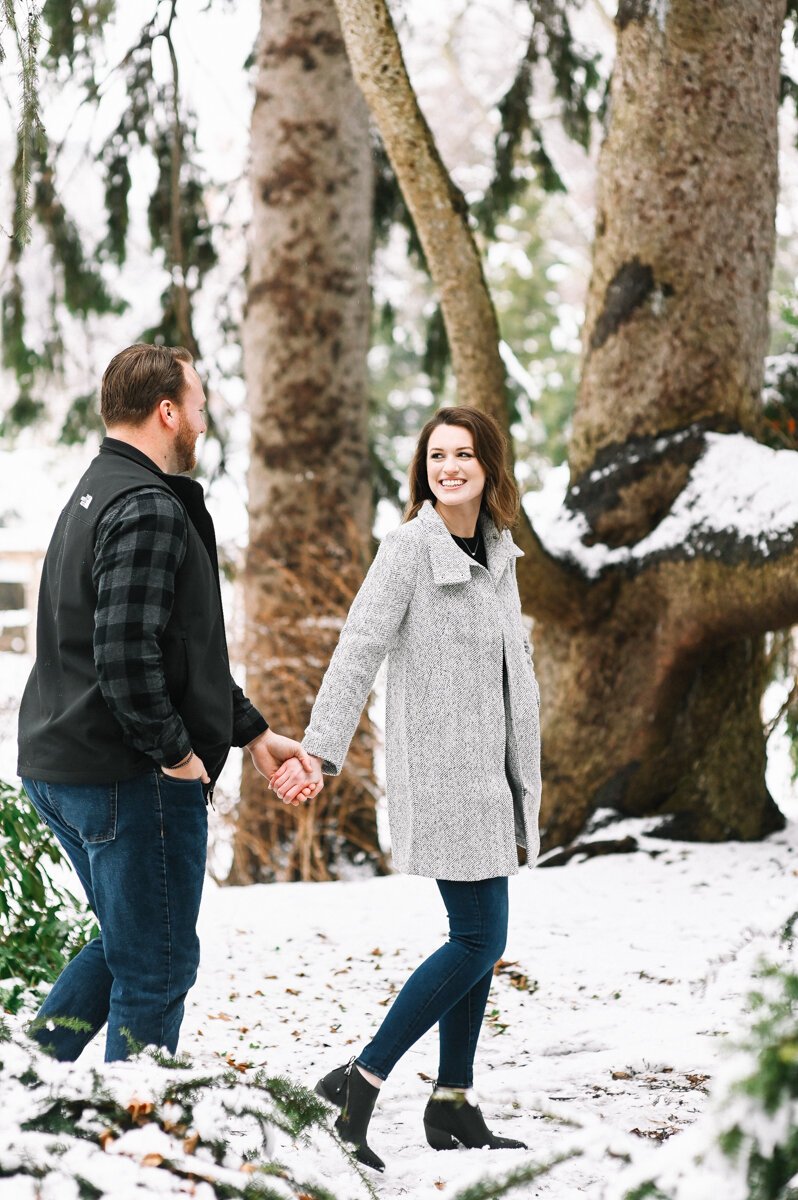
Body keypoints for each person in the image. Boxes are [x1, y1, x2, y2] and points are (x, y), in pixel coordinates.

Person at [17, 343, 317, 1063]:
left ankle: (22, 1097)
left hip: (62, 766)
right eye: (200, 408)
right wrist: (180, 760)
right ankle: (132, 1148)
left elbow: (173, 648)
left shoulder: (96, 488)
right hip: (127, 776)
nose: (203, 425)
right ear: (167, 411)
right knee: (157, 967)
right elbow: (127, 661)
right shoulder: (146, 507)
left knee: (131, 944)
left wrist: (252, 733)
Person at [271, 406, 541, 1171]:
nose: (448, 467)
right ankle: (357, 1081)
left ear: (489, 467)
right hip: (444, 775)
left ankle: (453, 1101)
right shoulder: (409, 549)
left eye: (463, 455)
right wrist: (320, 753)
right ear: (422, 470)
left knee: (481, 942)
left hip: (493, 775)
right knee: (479, 937)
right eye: (436, 457)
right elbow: (357, 650)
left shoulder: (498, 549)